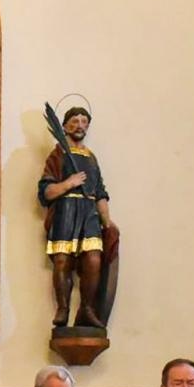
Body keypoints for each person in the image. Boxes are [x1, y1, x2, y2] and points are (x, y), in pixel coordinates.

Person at [38, 105, 115, 328]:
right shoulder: (58, 154)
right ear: (64, 126)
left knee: (93, 259)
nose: (80, 125)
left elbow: (100, 192)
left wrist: (107, 222)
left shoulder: (91, 157)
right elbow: (46, 191)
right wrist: (69, 183)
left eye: (84, 121)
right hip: (66, 211)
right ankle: (63, 309)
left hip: (89, 212)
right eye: (75, 121)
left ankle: (87, 308)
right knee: (62, 260)